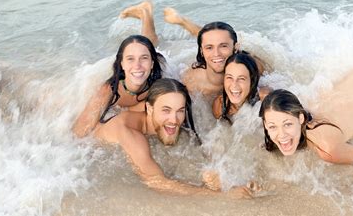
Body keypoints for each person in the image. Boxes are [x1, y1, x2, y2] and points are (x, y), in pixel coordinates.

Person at [94, 78, 254, 198]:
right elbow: (157, 183)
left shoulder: (168, 122)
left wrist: (221, 179)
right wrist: (224, 196)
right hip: (92, 158)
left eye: (180, 110)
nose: (174, 119)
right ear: (149, 109)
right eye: (166, 110)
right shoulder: (130, 134)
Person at [120, 1, 265, 98]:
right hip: (184, 66)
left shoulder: (252, 66)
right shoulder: (192, 82)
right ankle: (145, 13)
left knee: (214, 39)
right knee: (149, 50)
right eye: (208, 48)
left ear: (236, 48)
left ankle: (183, 21)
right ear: (201, 51)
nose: (216, 54)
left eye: (225, 46)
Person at [259, 69, 353, 164]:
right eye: (273, 127)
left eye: (287, 124)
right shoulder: (295, 106)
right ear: (265, 124)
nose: (281, 135)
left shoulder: (327, 150)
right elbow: (267, 94)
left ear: (301, 119)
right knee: (352, 131)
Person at [72, 35, 163, 137]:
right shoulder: (109, 91)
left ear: (152, 64)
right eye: (130, 59)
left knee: (151, 40)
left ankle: (147, 19)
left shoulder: (158, 85)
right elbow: (79, 131)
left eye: (144, 58)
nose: (137, 65)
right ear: (122, 64)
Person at [212, 52, 261, 121]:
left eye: (241, 78)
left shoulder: (263, 100)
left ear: (252, 81)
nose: (234, 85)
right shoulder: (220, 106)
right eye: (229, 77)